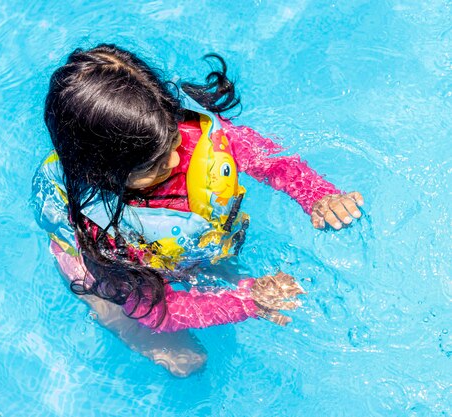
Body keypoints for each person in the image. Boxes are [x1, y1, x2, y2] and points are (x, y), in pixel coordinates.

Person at [32, 44, 364, 377]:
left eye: (172, 140)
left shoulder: (180, 131)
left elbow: (267, 160)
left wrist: (319, 196)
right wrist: (247, 302)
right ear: (104, 174)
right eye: (156, 164)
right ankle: (125, 326)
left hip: (183, 246)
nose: (176, 159)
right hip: (106, 263)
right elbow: (156, 311)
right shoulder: (103, 237)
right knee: (124, 311)